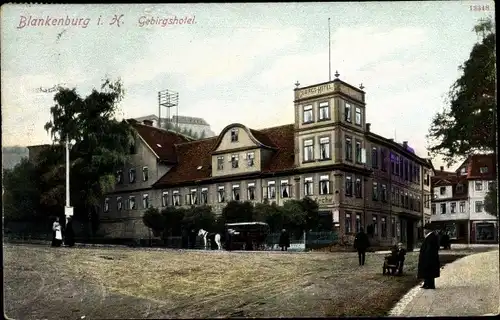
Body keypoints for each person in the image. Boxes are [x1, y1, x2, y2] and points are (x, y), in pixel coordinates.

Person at [417, 223, 441, 289]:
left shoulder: (432, 237)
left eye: (425, 229)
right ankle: (426, 283)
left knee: (429, 270)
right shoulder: (430, 236)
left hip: (429, 257)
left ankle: (430, 285)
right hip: (429, 257)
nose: (424, 230)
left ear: (429, 230)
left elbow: (430, 248)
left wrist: (426, 256)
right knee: (426, 270)